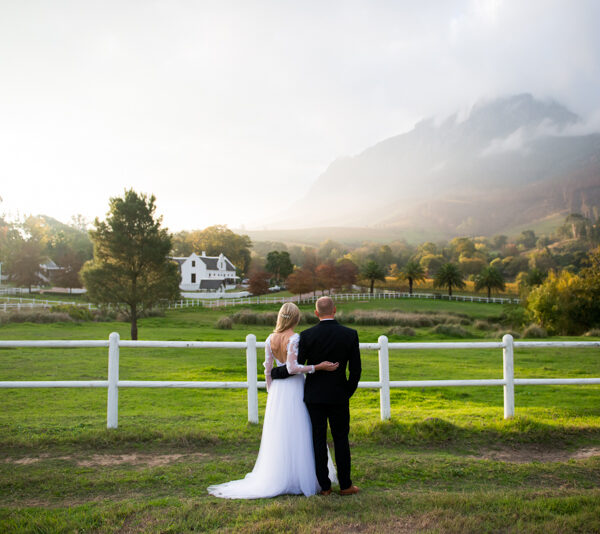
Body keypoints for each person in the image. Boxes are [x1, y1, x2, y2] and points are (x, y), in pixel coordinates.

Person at [207, 302, 338, 499]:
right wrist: (316, 367)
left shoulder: (270, 338)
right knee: (300, 428)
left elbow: (268, 369)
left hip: (278, 389)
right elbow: (293, 368)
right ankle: (301, 476)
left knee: (281, 430)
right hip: (294, 387)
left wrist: (271, 391)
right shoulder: (294, 338)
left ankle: (281, 473)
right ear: (296, 318)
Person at [270, 296, 361, 496]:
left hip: (314, 397)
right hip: (339, 396)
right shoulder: (350, 334)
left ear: (316, 313)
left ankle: (325, 487)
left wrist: (274, 373)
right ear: (335, 310)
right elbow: (356, 371)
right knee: (341, 440)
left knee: (317, 440)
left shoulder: (307, 336)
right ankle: (345, 485)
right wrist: (346, 392)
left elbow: (294, 367)